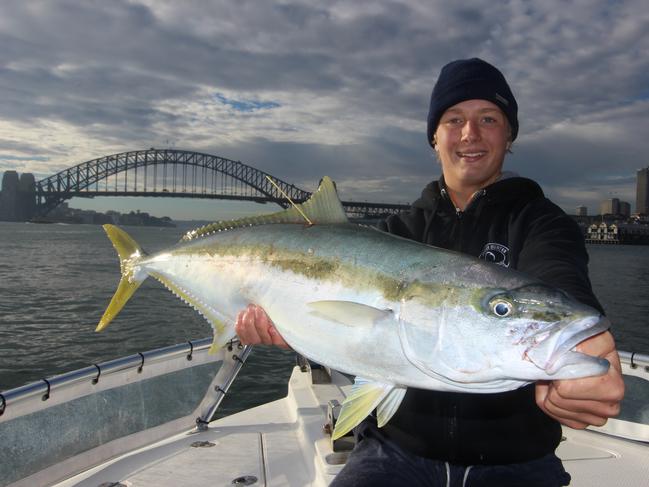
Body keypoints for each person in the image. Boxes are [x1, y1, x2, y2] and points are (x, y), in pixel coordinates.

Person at [235, 58, 624, 486]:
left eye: (488, 119)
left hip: (516, 460)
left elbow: (560, 276)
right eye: (454, 119)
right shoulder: (397, 233)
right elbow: (343, 326)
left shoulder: (540, 221)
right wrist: (287, 325)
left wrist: (591, 339)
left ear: (509, 134)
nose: (470, 134)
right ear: (434, 138)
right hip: (394, 451)